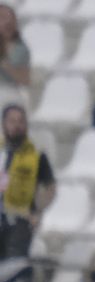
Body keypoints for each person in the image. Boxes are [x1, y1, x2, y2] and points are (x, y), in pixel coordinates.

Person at [1, 103, 54, 260]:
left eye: (20, 121)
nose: (17, 126)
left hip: (21, 220)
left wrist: (37, 211)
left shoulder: (35, 154)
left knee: (14, 265)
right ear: (4, 124)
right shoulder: (2, 151)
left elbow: (50, 187)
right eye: (12, 121)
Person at [0, 4, 29, 94]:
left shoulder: (21, 49)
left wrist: (6, 66)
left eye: (11, 19)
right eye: (3, 18)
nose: (7, 22)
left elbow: (25, 80)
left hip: (9, 93)